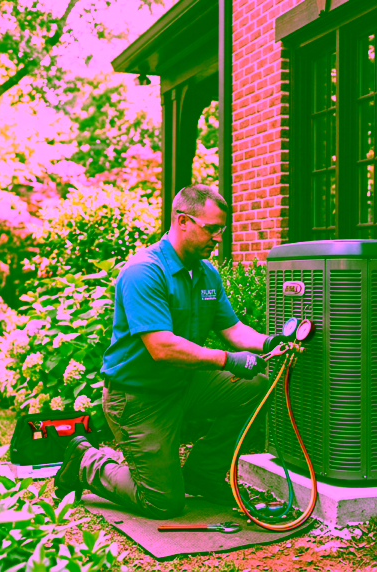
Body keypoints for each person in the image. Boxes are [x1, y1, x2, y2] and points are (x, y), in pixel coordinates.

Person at [53, 184, 293, 519]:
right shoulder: (144, 271)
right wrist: (229, 360)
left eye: (222, 230)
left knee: (257, 386)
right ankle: (86, 462)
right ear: (182, 221)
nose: (218, 237)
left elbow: (233, 329)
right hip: (139, 397)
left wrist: (269, 343)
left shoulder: (206, 274)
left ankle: (204, 473)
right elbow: (162, 347)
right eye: (211, 229)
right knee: (163, 503)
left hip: (184, 385)